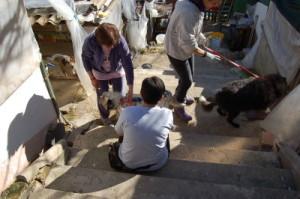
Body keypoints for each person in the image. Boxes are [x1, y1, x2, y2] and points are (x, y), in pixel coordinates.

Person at [165, 0, 223, 122]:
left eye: (219, 2)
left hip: (183, 47)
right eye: (214, 2)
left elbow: (192, 28)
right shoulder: (188, 11)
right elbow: (187, 43)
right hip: (176, 50)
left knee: (188, 75)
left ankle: (180, 94)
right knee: (187, 80)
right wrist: (206, 54)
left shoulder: (197, 6)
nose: (217, 5)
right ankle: (178, 105)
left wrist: (201, 38)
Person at [109, 76, 174, 172]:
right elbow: (170, 129)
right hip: (158, 163)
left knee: (125, 129)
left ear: (141, 94)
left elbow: (118, 132)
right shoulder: (167, 113)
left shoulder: (127, 111)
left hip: (128, 163)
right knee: (165, 130)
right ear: (161, 98)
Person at [82, 23, 134, 125]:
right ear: (99, 41)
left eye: (113, 45)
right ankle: (104, 117)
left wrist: (131, 89)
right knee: (103, 97)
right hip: (99, 71)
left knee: (120, 95)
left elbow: (127, 63)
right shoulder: (90, 42)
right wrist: (92, 78)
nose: (111, 48)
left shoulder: (120, 41)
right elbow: (85, 58)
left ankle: (120, 117)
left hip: (117, 70)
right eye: (108, 46)